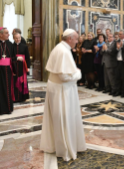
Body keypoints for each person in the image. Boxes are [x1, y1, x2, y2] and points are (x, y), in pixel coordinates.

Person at [40, 29, 86, 161]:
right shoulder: (63, 51)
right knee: (64, 118)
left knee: (58, 117)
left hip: (59, 88)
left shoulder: (59, 48)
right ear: (70, 38)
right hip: (62, 90)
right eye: (76, 39)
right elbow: (64, 76)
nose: (77, 42)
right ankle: (64, 148)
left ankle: (56, 145)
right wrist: (78, 73)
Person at [13, 33, 30, 102]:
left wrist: (28, 67)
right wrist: (16, 58)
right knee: (14, 80)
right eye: (16, 38)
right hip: (14, 65)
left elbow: (28, 58)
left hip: (23, 66)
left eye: (19, 38)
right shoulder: (11, 46)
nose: (18, 39)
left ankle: (22, 97)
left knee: (22, 81)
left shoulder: (24, 46)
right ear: (13, 38)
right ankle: (15, 97)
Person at [115, 30, 124, 97]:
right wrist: (117, 48)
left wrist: (121, 47)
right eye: (119, 34)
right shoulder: (117, 41)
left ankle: (123, 92)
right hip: (118, 61)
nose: (119, 35)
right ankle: (118, 91)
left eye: (121, 34)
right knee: (117, 77)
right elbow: (114, 50)